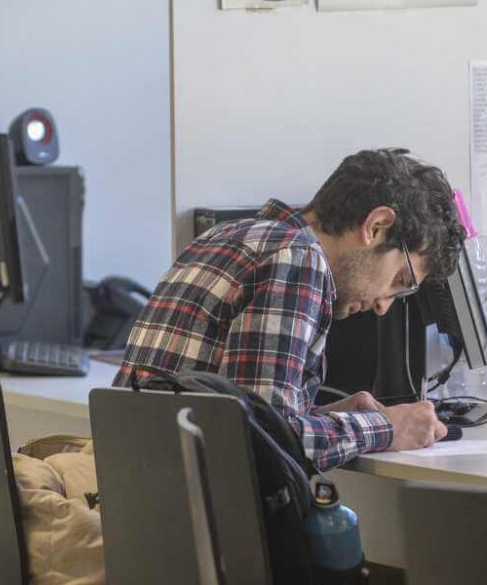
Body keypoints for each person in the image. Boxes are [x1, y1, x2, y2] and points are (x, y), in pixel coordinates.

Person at [113, 148, 466, 470]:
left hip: (142, 502)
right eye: (399, 279)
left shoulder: (226, 236)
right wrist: (387, 427)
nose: (384, 305)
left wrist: (317, 415)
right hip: (191, 520)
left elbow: (233, 415)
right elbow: (263, 445)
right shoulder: (297, 259)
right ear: (376, 227)